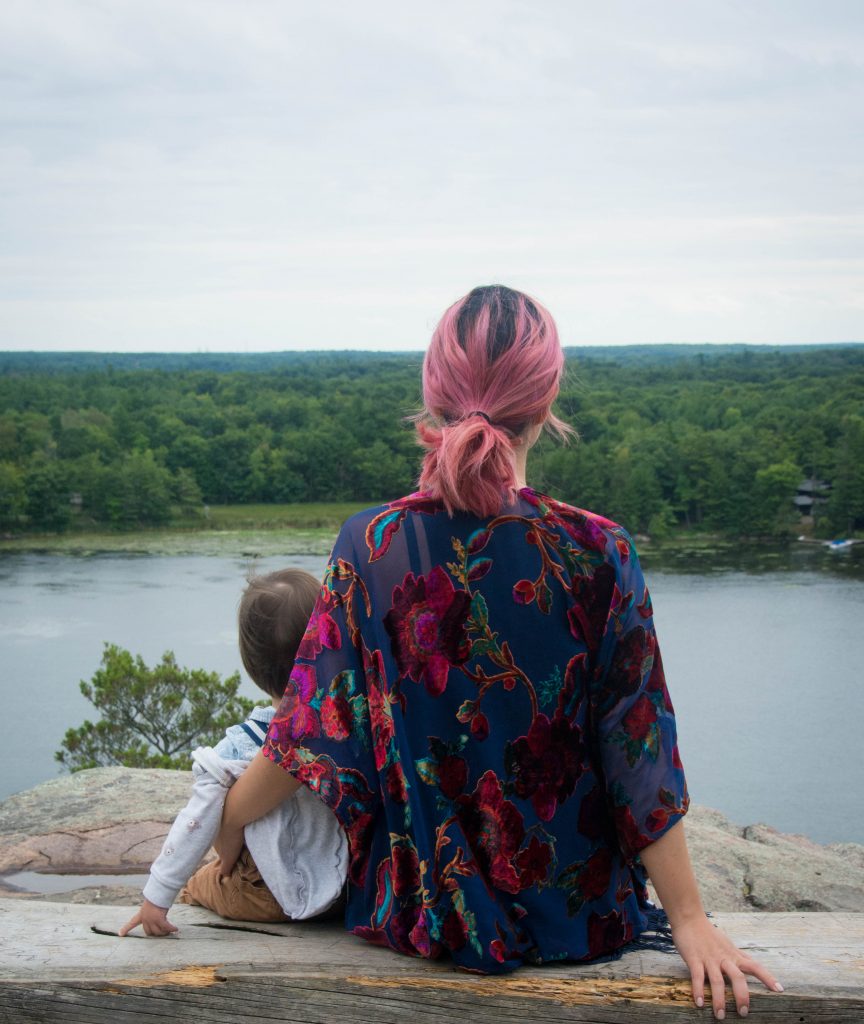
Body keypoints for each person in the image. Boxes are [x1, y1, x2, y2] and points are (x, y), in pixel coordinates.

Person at [216, 286, 783, 1017]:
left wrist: (226, 823)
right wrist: (690, 922)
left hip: (421, 915)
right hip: (580, 922)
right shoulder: (598, 551)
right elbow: (637, 749)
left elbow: (310, 734)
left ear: (433, 397)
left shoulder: (372, 544)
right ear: (545, 405)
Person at [119, 568, 347, 937]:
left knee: (204, 880)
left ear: (250, 663)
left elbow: (195, 821)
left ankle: (194, 891)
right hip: (342, 885)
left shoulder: (239, 747)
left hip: (271, 895)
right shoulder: (345, 727)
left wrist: (157, 897)